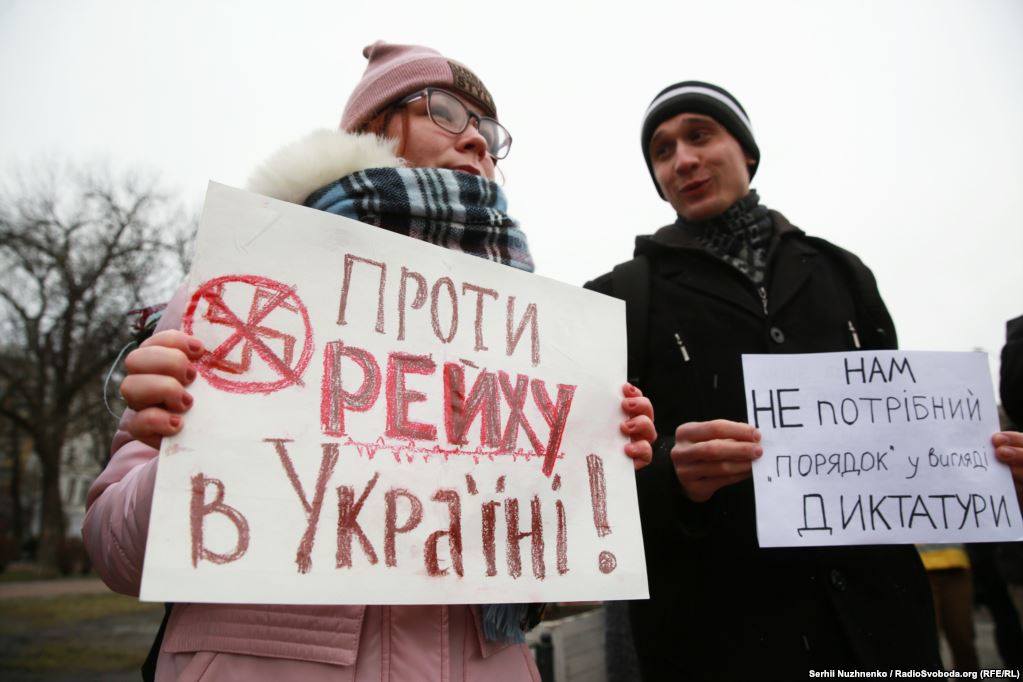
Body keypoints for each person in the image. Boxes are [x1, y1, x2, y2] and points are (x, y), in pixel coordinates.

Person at [83, 41, 657, 682]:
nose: (476, 143)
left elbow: (563, 592)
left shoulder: (532, 337)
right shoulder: (249, 289)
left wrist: (594, 475)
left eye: (489, 131)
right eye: (444, 111)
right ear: (372, 131)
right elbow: (117, 556)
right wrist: (175, 447)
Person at [586, 80, 1023, 680]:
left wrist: (988, 473)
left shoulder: (845, 273)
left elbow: (898, 440)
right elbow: (591, 478)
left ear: (748, 151)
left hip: (881, 633)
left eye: (699, 135)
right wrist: (671, 476)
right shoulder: (618, 298)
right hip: (721, 640)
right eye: (662, 151)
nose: (682, 159)